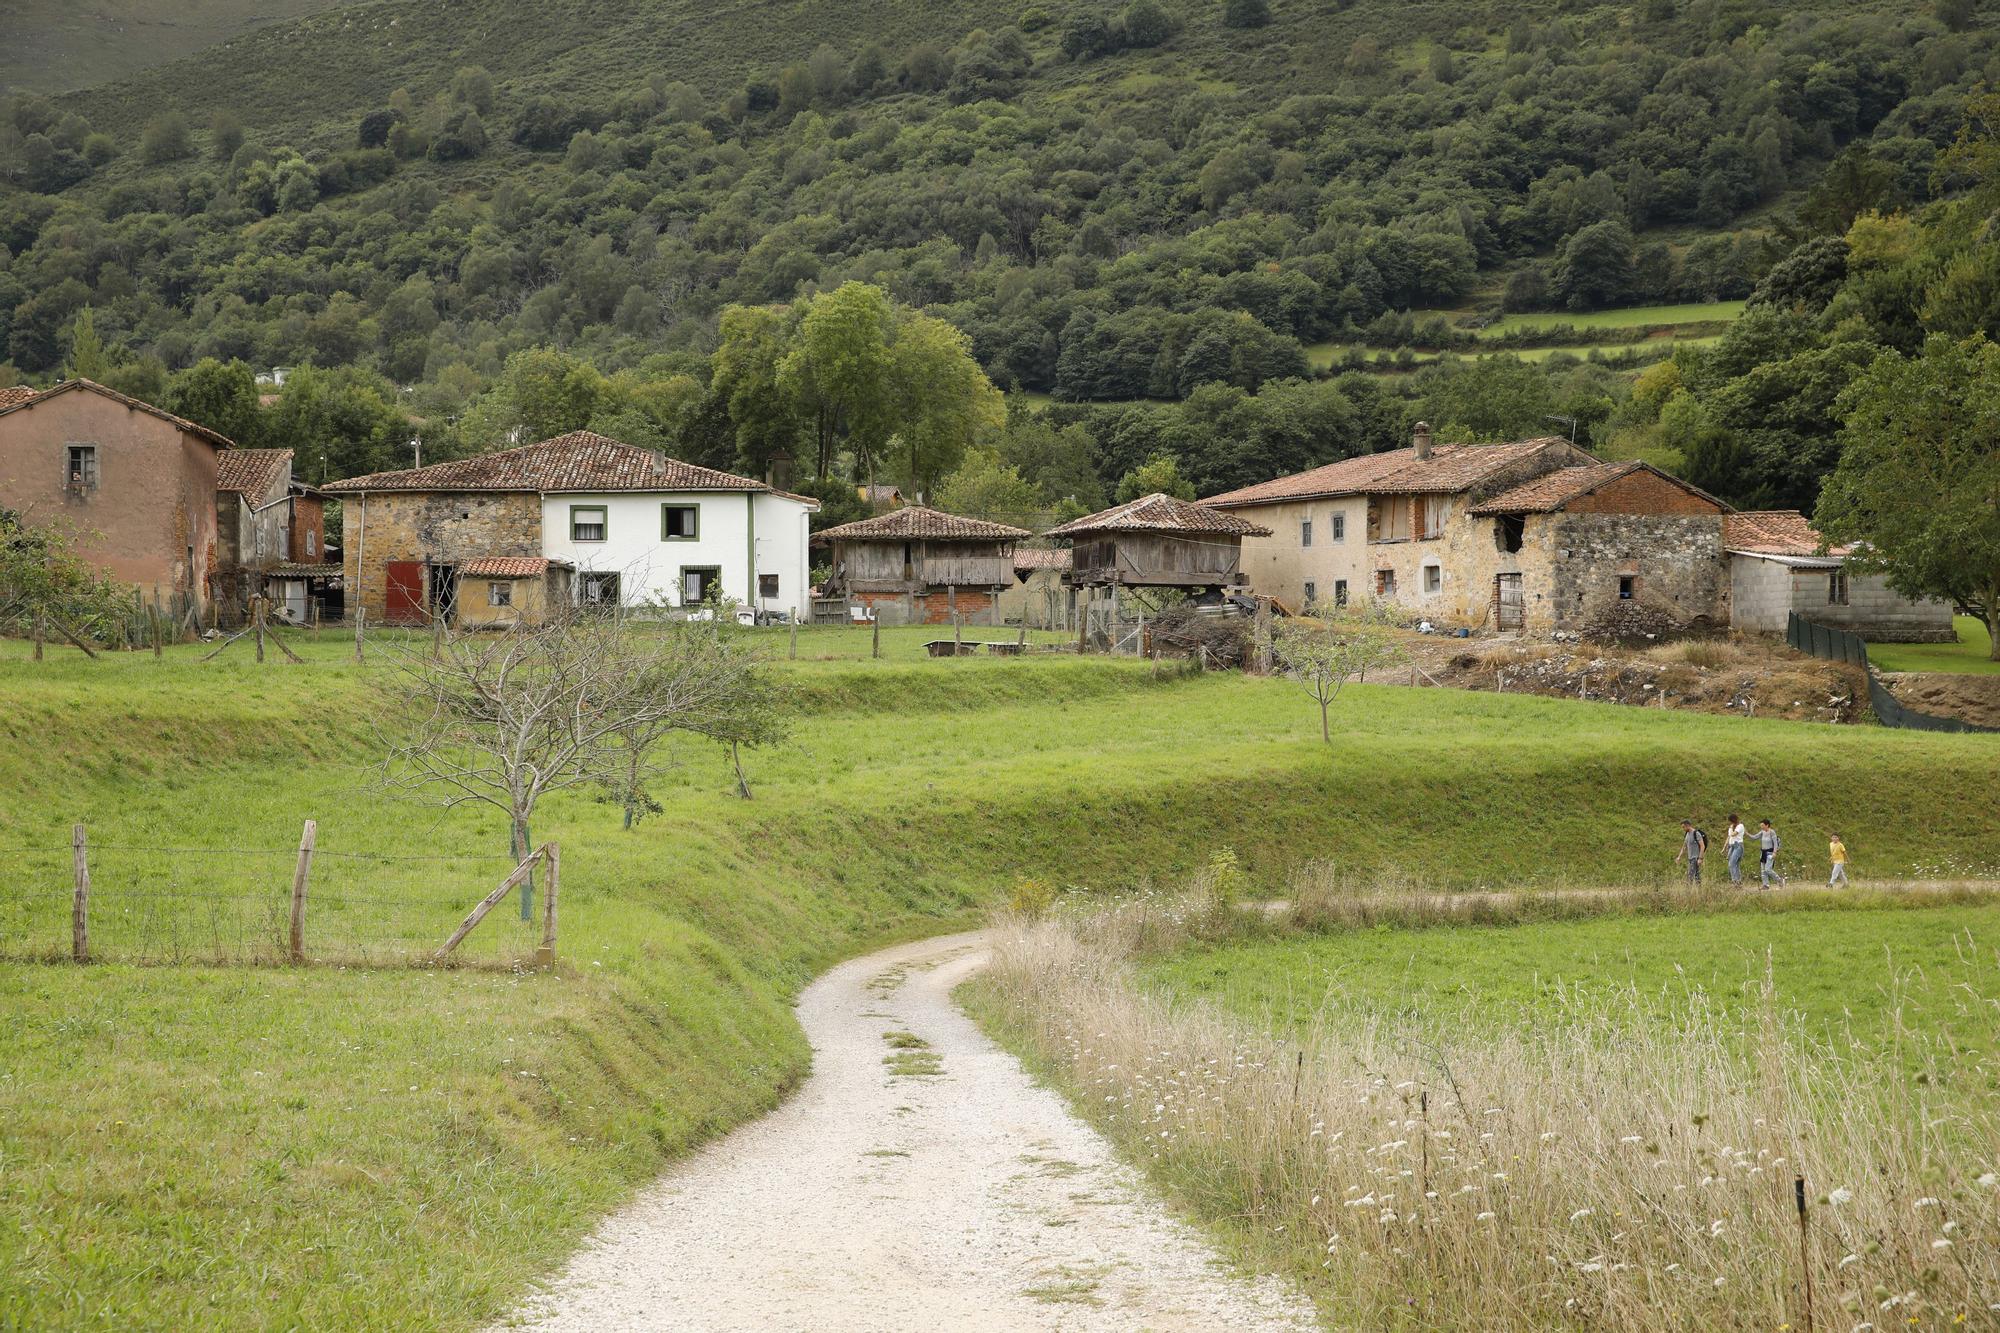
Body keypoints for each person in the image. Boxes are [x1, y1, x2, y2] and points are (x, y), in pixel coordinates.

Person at [1676, 819, 1706, 884]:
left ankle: (1688, 892)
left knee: (1690, 876)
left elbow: (1702, 846)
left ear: (1688, 825)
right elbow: (1684, 847)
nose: (1683, 828)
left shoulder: (1696, 833)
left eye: (1683, 827)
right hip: (1690, 858)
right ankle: (1699, 891)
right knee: (1697, 876)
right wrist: (1679, 857)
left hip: (1695, 858)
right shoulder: (1687, 834)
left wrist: (1700, 858)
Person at [1757, 819, 1786, 888]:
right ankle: (1765, 885)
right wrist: (1745, 833)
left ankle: (1779, 880)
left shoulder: (1772, 832)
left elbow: (1775, 843)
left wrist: (1774, 853)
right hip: (1763, 852)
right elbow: (1754, 837)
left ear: (1767, 825)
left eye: (1762, 825)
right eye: (1761, 825)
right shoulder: (1762, 832)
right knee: (1763, 870)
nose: (1761, 827)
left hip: (1770, 853)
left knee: (1768, 869)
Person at [1724, 813, 1746, 885]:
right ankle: (1738, 881)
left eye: (1731, 821)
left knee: (1732, 864)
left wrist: (1730, 829)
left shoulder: (1740, 826)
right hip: (1732, 846)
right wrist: (1724, 847)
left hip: (1738, 846)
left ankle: (1735, 881)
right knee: (1735, 864)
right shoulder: (1732, 827)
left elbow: (1734, 834)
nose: (1730, 823)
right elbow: (1729, 837)